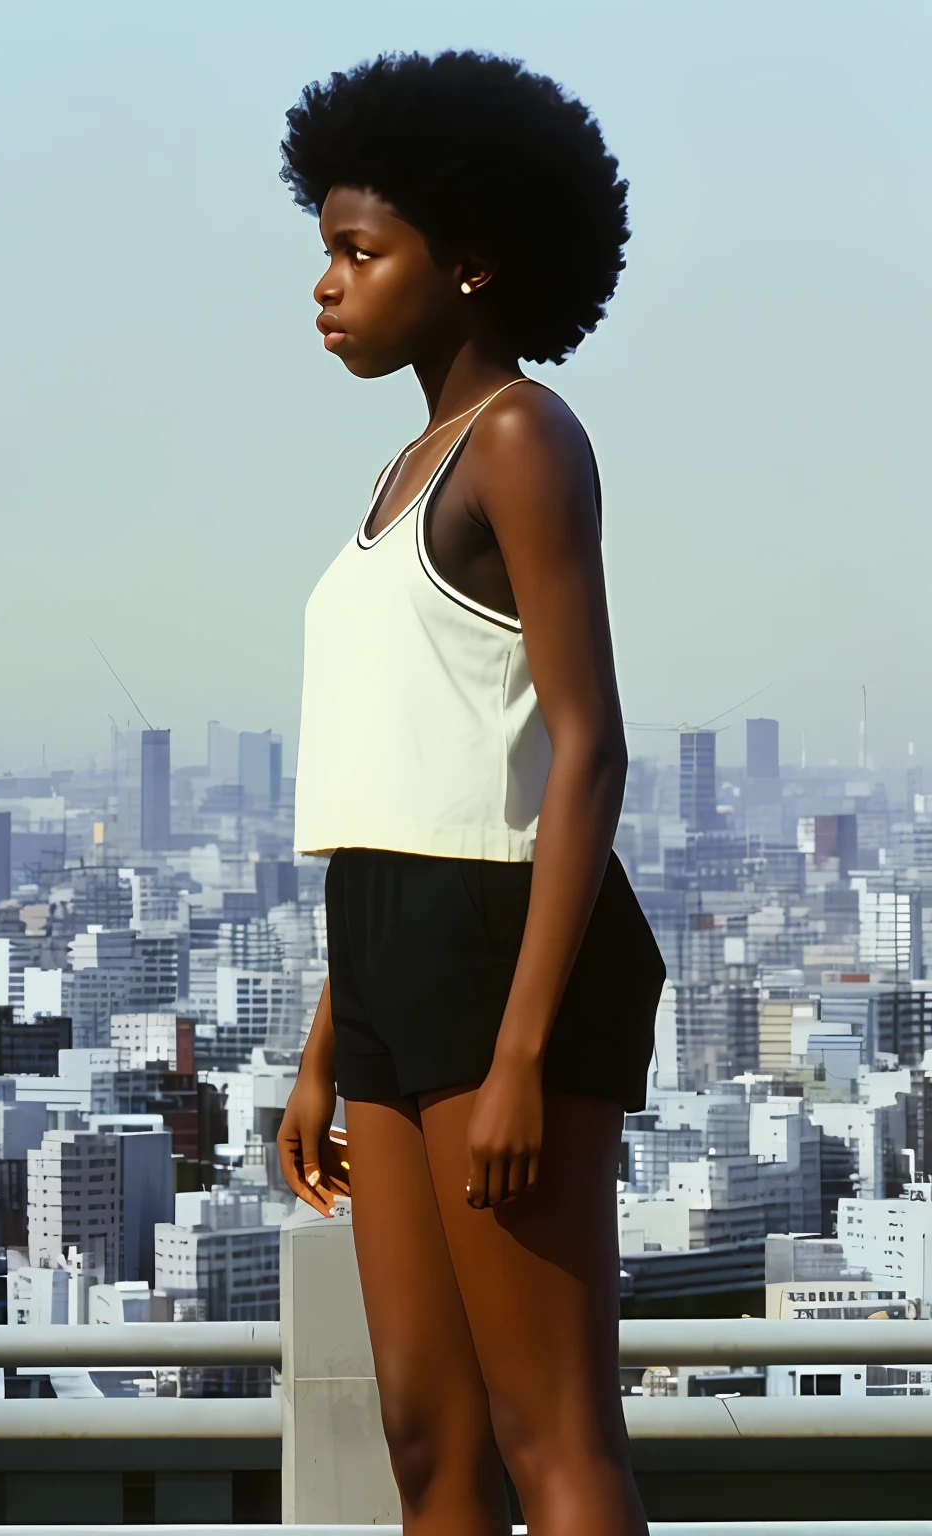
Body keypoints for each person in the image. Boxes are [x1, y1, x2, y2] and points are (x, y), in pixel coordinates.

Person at [276, 48, 666, 1536]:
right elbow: (399, 780)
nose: (327, 284)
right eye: (325, 251)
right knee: (428, 1437)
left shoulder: (520, 437)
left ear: (474, 262)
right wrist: (330, 1035)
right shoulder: (398, 473)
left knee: (551, 1429)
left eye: (360, 253)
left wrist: (519, 1053)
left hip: (506, 952)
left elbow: (590, 745)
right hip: (384, 946)